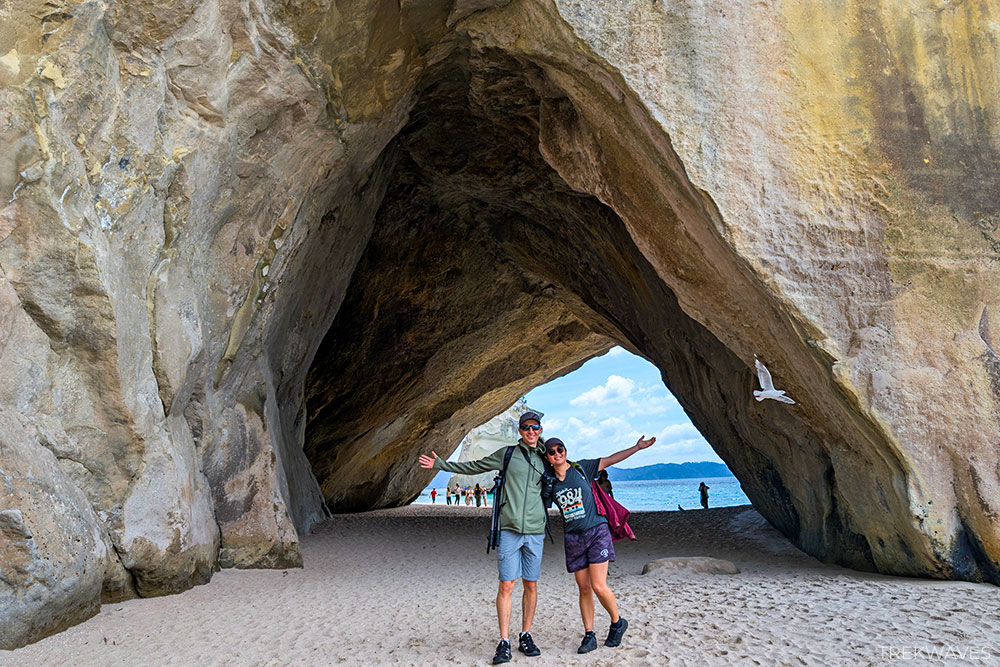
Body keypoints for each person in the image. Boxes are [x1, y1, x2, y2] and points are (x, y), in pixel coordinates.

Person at [418, 411, 549, 664]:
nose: (531, 431)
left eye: (535, 427)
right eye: (526, 427)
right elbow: (474, 466)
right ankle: (504, 641)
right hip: (509, 529)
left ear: (540, 430)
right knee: (507, 585)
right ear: (520, 431)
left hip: (535, 531)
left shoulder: (546, 457)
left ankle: (526, 634)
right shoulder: (508, 454)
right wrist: (441, 464)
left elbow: (571, 475)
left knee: (531, 585)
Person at [542, 434, 656, 654]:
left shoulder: (582, 468)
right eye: (552, 451)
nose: (557, 453)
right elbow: (541, 506)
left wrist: (636, 448)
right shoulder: (550, 482)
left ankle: (617, 622)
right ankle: (589, 634)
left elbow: (611, 459)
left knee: (598, 585)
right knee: (583, 588)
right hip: (573, 538)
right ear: (547, 457)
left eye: (560, 449)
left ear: (565, 450)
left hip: (596, 531)